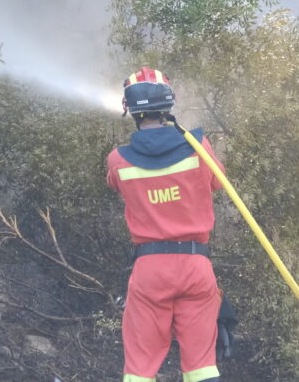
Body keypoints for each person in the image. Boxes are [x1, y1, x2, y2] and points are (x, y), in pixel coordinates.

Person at [106, 67, 225, 382]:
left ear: (129, 109)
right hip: (196, 265)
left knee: (140, 370)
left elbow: (115, 183)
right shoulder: (200, 147)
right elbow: (217, 183)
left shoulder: (118, 160)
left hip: (150, 271)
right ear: (170, 104)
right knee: (201, 367)